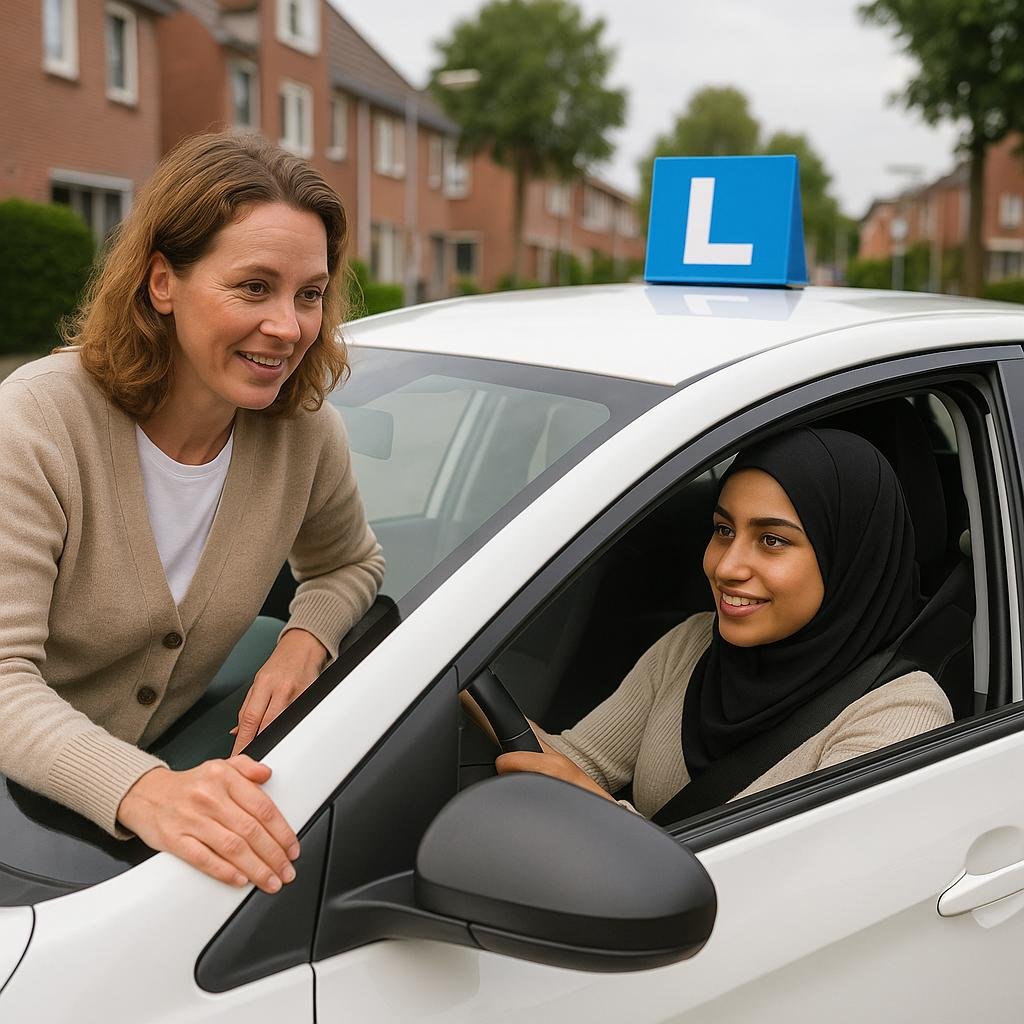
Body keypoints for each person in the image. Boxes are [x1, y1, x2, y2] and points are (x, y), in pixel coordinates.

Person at [0, 133, 384, 892]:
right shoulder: (37, 423)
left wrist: (305, 639)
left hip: (121, 836)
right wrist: (147, 790)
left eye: (309, 293)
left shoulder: (302, 434)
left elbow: (349, 563)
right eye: (253, 287)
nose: (289, 326)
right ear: (162, 283)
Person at [487, 427, 954, 818]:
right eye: (723, 530)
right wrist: (449, 673)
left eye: (772, 540)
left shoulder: (900, 717)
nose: (727, 566)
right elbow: (577, 765)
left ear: (850, 560)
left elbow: (786, 890)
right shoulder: (692, 644)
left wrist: (600, 809)